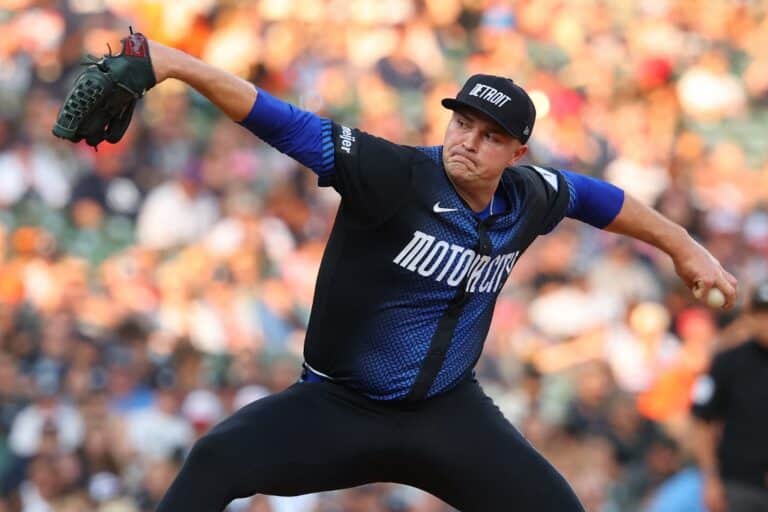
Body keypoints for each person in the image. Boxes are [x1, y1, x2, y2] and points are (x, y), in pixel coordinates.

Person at [141, 36, 737, 511]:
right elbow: (283, 121)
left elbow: (595, 196)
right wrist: (177, 65)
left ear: (516, 154)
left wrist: (681, 244)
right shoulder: (394, 175)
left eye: (490, 136)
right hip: (340, 407)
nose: (468, 142)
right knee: (216, 457)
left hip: (448, 414)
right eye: (462, 124)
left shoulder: (529, 196)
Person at [691, 282, 768, 512]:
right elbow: (702, 421)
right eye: (762, 314)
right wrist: (710, 479)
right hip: (739, 484)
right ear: (750, 316)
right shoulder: (727, 361)